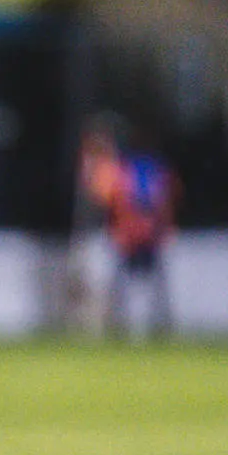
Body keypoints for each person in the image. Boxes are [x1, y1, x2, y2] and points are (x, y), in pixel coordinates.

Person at [83, 124, 180, 337]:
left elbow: (112, 200)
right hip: (144, 231)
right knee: (146, 282)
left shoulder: (123, 169)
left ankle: (127, 325)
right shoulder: (149, 168)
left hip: (129, 232)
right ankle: (155, 325)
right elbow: (164, 198)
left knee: (127, 282)